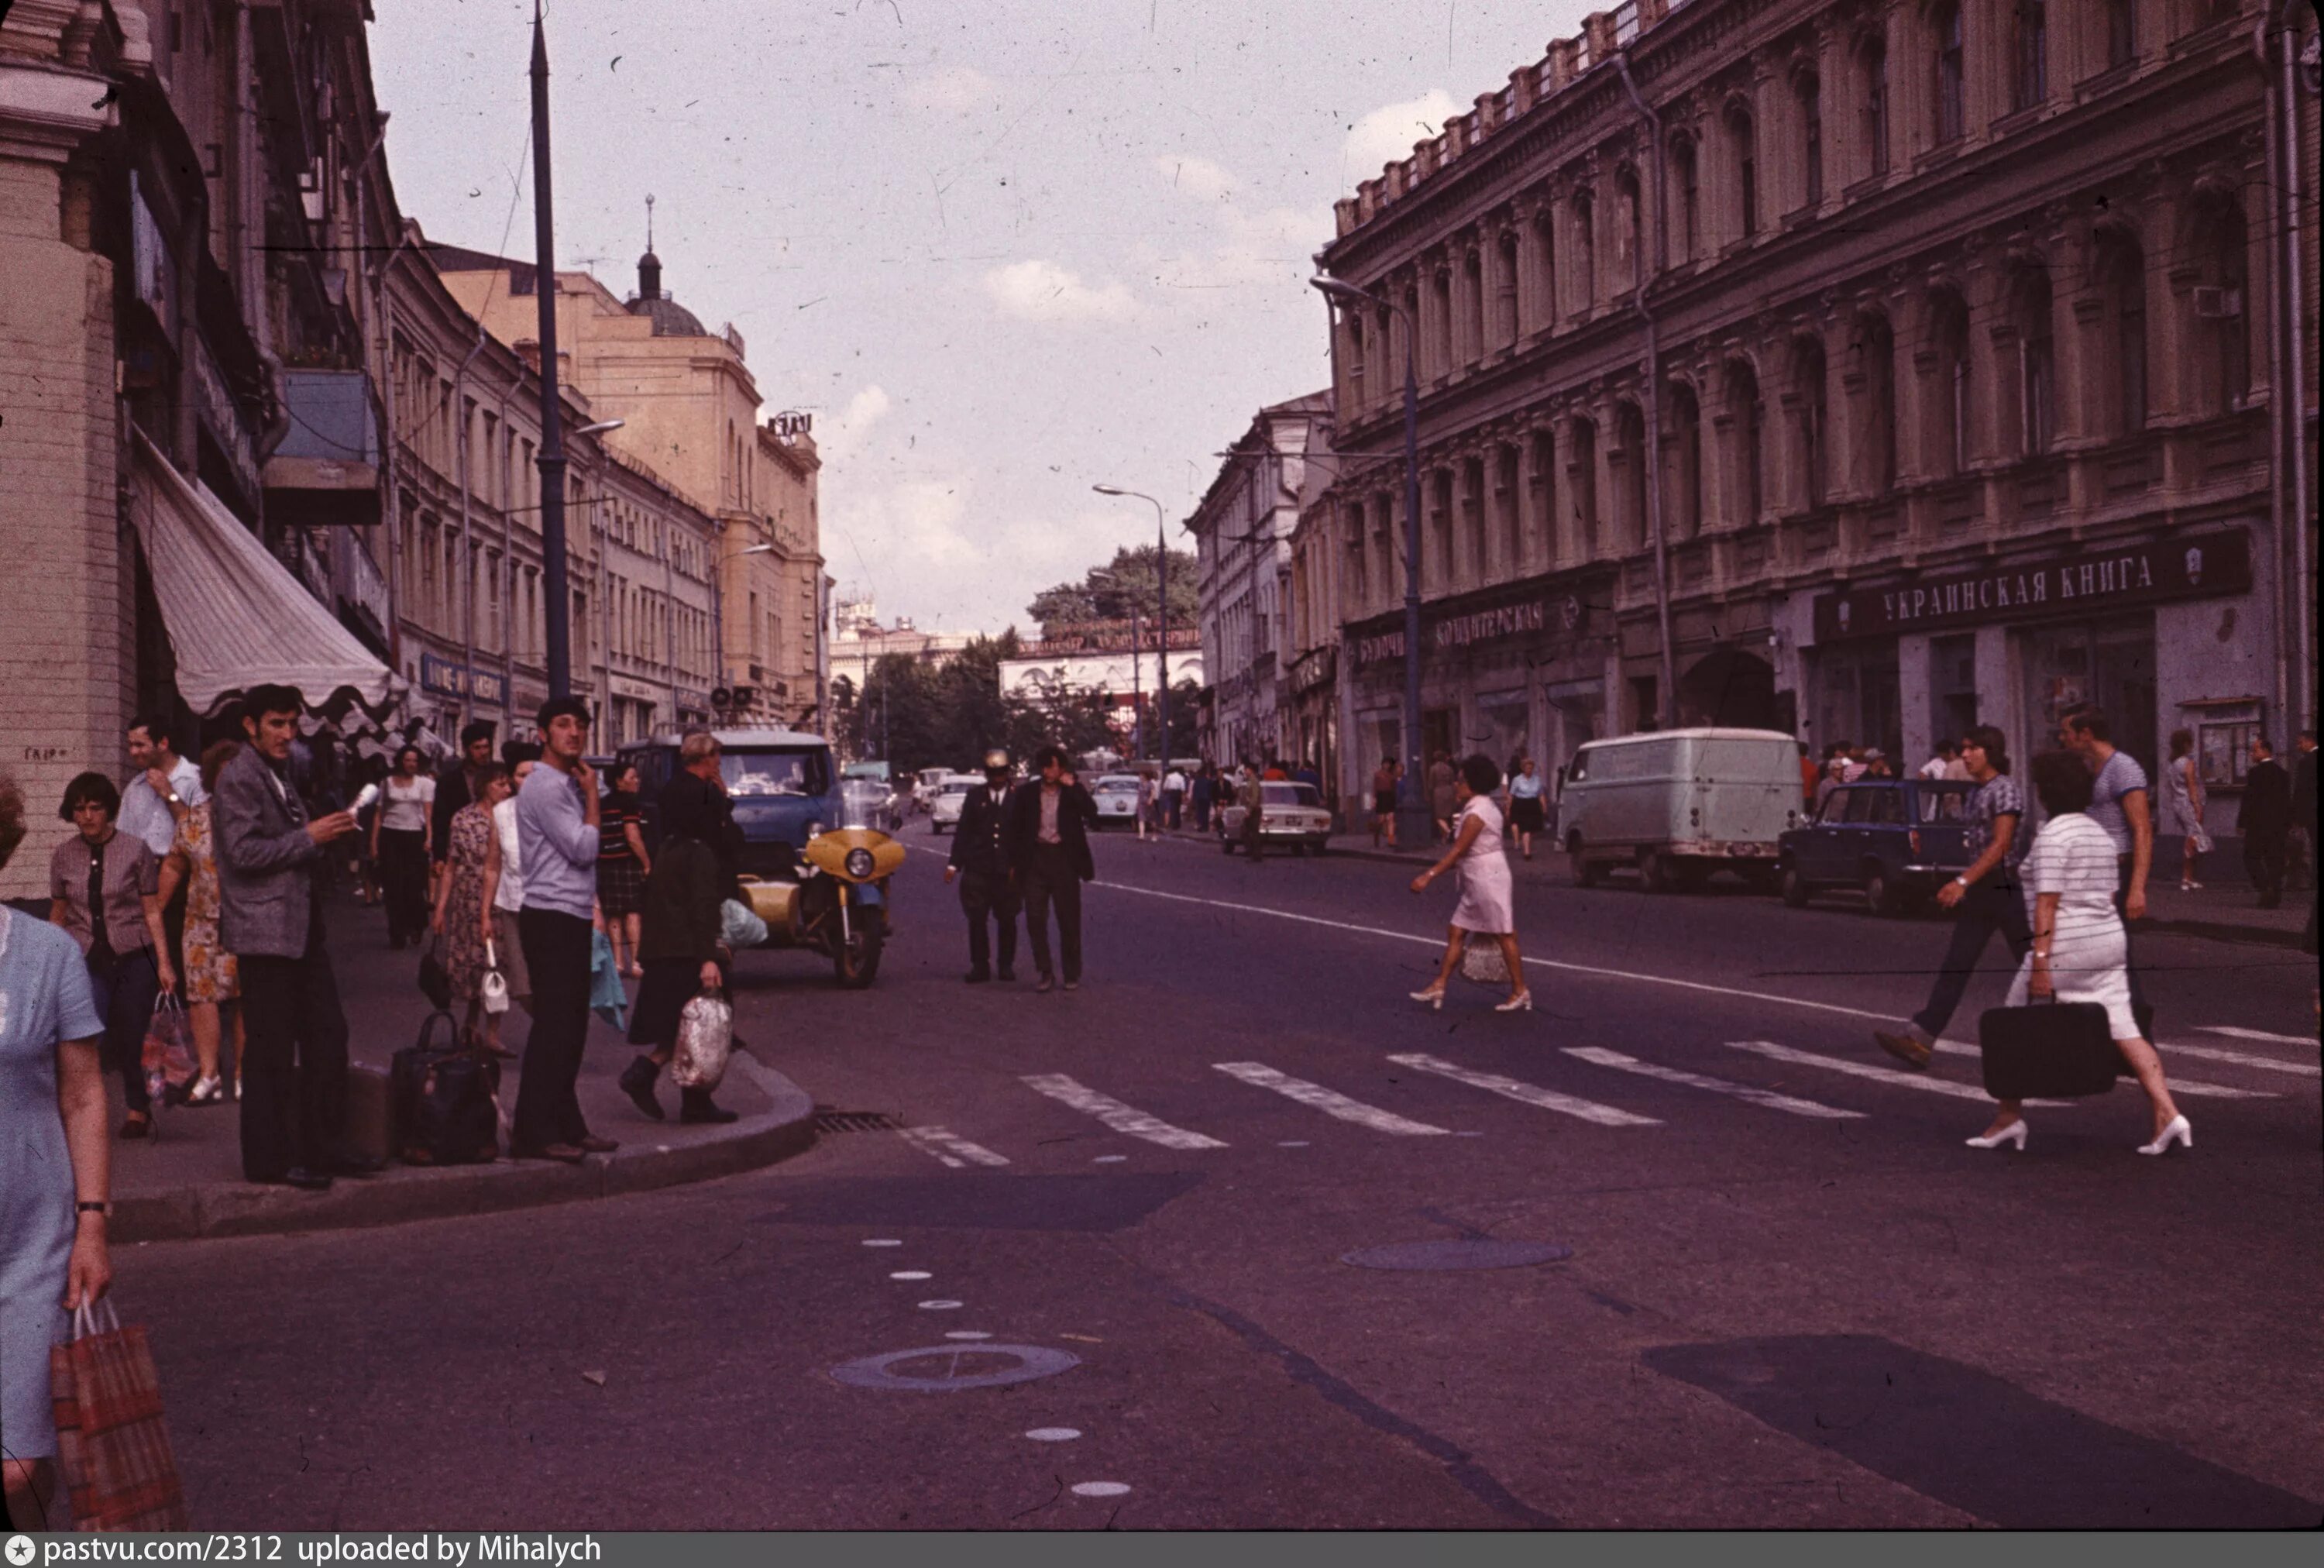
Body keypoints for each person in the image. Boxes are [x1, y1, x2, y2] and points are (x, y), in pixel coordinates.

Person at [1968, 751, 2188, 1156]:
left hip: (2067, 943)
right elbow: (2106, 894)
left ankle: (2007, 1118)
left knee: (2013, 1022)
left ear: (2045, 792)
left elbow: (2047, 904)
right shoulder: (2098, 834)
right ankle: (2167, 1113)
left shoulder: (2053, 835)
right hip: (2108, 940)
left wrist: (2039, 963)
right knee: (2125, 1028)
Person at [0, 772, 115, 1533]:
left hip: (29, 1244)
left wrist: (94, 1221)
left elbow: (83, 1094)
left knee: (16, 1463)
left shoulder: (46, 954)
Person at [213, 686, 366, 1190]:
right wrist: (310, 838)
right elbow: (241, 853)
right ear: (250, 726)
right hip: (264, 933)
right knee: (271, 1050)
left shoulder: (278, 774)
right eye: (276, 723)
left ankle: (325, 1146)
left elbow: (289, 842)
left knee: (328, 1035)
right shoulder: (239, 776)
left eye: (292, 724)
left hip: (300, 929)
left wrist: (327, 835)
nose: (286, 733)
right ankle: (270, 1160)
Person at [1872, 727, 2030, 1069]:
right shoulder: (1976, 792)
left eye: (1972, 749)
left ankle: (2081, 1031)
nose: (1965, 756)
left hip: (2004, 888)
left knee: (2033, 966)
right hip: (1983, 890)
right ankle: (1921, 1038)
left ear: (1991, 751)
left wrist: (1962, 881)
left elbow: (2002, 845)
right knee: (1958, 965)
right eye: (1963, 749)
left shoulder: (2005, 790)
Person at [511, 696, 615, 1164]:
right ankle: (532, 1132)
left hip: (567, 912)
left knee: (570, 1027)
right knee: (556, 1026)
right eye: (563, 725)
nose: (574, 733)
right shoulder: (547, 786)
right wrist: (593, 796)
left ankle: (567, 1125)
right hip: (550, 914)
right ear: (542, 734)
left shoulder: (563, 783)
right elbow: (581, 848)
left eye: (581, 725)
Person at [47, 773, 174, 1140]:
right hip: (85, 958)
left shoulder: (136, 850)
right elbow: (58, 914)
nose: (86, 816)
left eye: (95, 808)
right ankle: (77, 1111)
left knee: (132, 1034)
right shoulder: (63, 855)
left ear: (110, 810)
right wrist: (49, 963)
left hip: (134, 956)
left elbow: (152, 911)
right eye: (79, 809)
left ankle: (138, 1110)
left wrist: (164, 963)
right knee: (82, 1037)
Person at [617, 767, 739, 1125]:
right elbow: (702, 908)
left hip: (665, 950)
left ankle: (680, 1094)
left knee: (683, 1026)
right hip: (688, 952)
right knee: (702, 1026)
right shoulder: (700, 853)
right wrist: (710, 958)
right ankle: (681, 1094)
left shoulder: (669, 847)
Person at [155, 741, 245, 1106]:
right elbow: (175, 862)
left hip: (244, 923)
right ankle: (209, 1074)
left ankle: (242, 1073)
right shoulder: (194, 818)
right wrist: (155, 909)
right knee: (201, 998)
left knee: (243, 998)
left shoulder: (254, 817)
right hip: (200, 924)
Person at [1409, 755, 1529, 1013]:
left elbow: (1457, 852)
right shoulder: (1477, 807)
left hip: (1488, 877)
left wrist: (1427, 876)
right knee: (1457, 930)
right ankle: (1440, 984)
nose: (1456, 785)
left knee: (1503, 932)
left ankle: (1520, 990)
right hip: (1477, 877)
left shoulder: (1478, 812)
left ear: (1472, 783)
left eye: (1460, 780)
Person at [2059, 708, 2152, 1022]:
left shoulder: (2123, 768)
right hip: (2094, 874)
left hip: (2118, 871)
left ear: (2086, 734)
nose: (2063, 739)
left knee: (2117, 952)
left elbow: (2142, 829)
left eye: (2066, 733)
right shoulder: (2090, 767)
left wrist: (2137, 888)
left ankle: (2136, 1025)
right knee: (2103, 952)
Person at [432, 763, 512, 1051]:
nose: (507, 789)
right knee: (474, 966)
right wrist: (440, 908)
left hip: (503, 900)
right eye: (500, 784)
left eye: (508, 784)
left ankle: (492, 1033)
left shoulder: (512, 818)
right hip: (468, 900)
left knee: (498, 966)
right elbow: (451, 866)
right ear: (484, 786)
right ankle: (470, 1025)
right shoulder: (464, 819)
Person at [1005, 745, 1096, 993]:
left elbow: (1092, 812)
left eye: (1055, 766)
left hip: (1064, 860)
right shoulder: (1026, 794)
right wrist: (1013, 864)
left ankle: (1071, 972)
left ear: (1062, 768)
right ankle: (1045, 970)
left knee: (1068, 919)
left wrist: (1074, 786)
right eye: (1046, 766)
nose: (1050, 771)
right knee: (1035, 918)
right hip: (1035, 860)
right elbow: (1013, 830)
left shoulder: (1070, 793)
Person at [944, 749, 1020, 984]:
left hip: (1007, 869)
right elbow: (964, 832)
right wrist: (953, 864)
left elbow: (1024, 835)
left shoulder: (1019, 798)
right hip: (978, 867)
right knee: (976, 918)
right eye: (993, 773)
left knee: (1007, 918)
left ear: (1008, 772)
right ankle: (980, 966)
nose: (998, 777)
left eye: (1001, 772)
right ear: (987, 774)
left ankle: (1005, 965)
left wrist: (1020, 865)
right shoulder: (975, 796)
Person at [478, 759, 537, 1044]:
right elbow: (492, 866)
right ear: (513, 780)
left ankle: (555, 1033)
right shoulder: (502, 813)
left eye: (533, 774)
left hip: (553, 906)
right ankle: (549, 1024)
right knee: (523, 986)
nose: (528, 780)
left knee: (553, 981)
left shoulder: (559, 809)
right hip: (513, 906)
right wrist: (485, 913)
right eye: (521, 775)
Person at [371, 744, 434, 950]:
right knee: (393, 886)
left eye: (415, 761)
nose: (411, 764)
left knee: (414, 885)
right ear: (400, 761)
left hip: (415, 835)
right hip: (391, 835)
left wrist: (429, 838)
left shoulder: (424, 783)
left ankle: (417, 924)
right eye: (408, 760)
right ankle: (396, 932)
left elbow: (428, 813)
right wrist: (374, 842)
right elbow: (379, 814)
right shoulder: (387, 783)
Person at [596, 761, 652, 978]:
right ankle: (636, 961)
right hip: (627, 862)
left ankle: (618, 962)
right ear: (619, 781)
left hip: (605, 861)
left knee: (614, 914)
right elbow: (633, 836)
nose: (637, 781)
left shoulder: (603, 804)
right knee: (633, 911)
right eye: (632, 777)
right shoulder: (630, 804)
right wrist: (647, 863)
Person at [120, 713, 202, 859]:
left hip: (184, 872)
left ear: (163, 743)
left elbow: (200, 835)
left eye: (140, 745)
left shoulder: (196, 780)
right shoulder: (134, 788)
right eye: (131, 745)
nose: (133, 752)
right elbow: (123, 842)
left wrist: (169, 794)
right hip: (142, 874)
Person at [430, 721, 496, 879]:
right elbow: (440, 820)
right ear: (467, 750)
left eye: (486, 747)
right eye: (477, 748)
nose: (483, 752)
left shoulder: (499, 775)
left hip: (495, 848)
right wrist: (439, 857)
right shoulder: (449, 781)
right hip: (463, 853)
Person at [2238, 736, 2291, 909]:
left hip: (2257, 825)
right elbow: (2286, 801)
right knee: (2275, 859)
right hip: (2278, 826)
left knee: (2250, 856)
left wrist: (2242, 822)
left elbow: (2249, 800)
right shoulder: (2283, 773)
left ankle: (2263, 886)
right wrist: (2288, 823)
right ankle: (2275, 894)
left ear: (2265, 751)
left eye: (2255, 750)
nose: (2252, 754)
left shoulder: (2255, 773)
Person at [2161, 729, 2210, 892]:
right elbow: (2192, 786)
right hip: (2189, 804)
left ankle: (2188, 878)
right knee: (2194, 838)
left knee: (2192, 836)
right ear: (2186, 744)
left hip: (2178, 804)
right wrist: (2197, 807)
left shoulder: (2172, 765)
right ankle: (2186, 878)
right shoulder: (2188, 763)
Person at [2289, 731, 2317, 894]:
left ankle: (2313, 880)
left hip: (2312, 812)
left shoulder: (2306, 762)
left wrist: (2296, 815)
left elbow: (2301, 790)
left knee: (2314, 845)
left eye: (2301, 743)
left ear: (2310, 742)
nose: (2299, 747)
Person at [1506, 755, 1546, 861]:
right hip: (1520, 804)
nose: (1529, 770)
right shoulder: (1517, 780)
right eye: (1527, 768)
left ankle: (1525, 845)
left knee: (1530, 830)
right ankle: (1527, 853)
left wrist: (1544, 807)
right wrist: (1508, 808)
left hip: (1533, 804)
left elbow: (1541, 794)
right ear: (1523, 768)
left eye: (1531, 768)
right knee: (1526, 829)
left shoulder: (1537, 779)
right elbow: (1511, 795)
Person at [1236, 763, 1267, 862]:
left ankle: (1255, 854)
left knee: (1251, 833)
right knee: (1247, 832)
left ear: (1251, 770)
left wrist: (1249, 810)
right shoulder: (1250, 780)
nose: (1245, 772)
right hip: (1252, 809)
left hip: (1254, 810)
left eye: (1246, 770)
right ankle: (1253, 854)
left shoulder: (1253, 781)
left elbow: (1254, 797)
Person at [1372, 757, 1401, 849]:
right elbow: (1375, 787)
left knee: (1391, 819)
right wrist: (1374, 799)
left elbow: (1394, 788)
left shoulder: (1392, 776)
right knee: (1381, 819)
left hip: (1390, 796)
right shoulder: (1378, 774)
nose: (1387, 765)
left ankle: (1391, 840)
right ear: (1382, 764)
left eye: (1388, 764)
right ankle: (1376, 836)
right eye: (1385, 763)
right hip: (1381, 796)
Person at [1428, 751, 1458, 841]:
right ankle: (1444, 837)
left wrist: (1430, 793)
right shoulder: (1449, 768)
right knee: (1450, 814)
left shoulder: (1433, 768)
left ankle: (1448, 832)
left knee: (1439, 816)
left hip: (1439, 792)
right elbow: (1453, 781)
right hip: (1449, 791)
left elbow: (1431, 783)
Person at [1190, 765, 1215, 834]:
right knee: (1206, 812)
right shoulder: (1208, 780)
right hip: (1207, 798)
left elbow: (1195, 790)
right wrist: (1211, 798)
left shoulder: (1197, 781)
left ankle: (1201, 826)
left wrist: (1194, 799)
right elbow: (1211, 790)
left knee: (1200, 812)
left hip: (1200, 798)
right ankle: (1206, 826)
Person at [1161, 763, 1187, 832]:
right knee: (1178, 809)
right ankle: (1178, 824)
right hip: (1178, 793)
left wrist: (1166, 790)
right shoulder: (1181, 777)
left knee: (1173, 808)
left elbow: (1165, 787)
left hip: (1171, 792)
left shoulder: (1169, 776)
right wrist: (1183, 796)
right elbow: (1183, 788)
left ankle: (1173, 824)